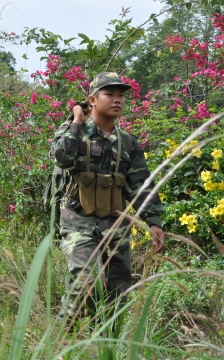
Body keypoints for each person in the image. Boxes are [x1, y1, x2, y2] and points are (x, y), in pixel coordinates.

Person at [49, 72, 165, 325]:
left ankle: (109, 345)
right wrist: (77, 122)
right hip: (78, 220)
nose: (117, 100)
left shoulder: (127, 142)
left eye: (121, 95)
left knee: (119, 290)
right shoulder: (73, 131)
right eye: (109, 94)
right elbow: (60, 159)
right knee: (85, 283)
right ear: (92, 99)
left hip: (115, 223)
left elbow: (141, 184)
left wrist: (153, 221)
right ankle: (60, 342)